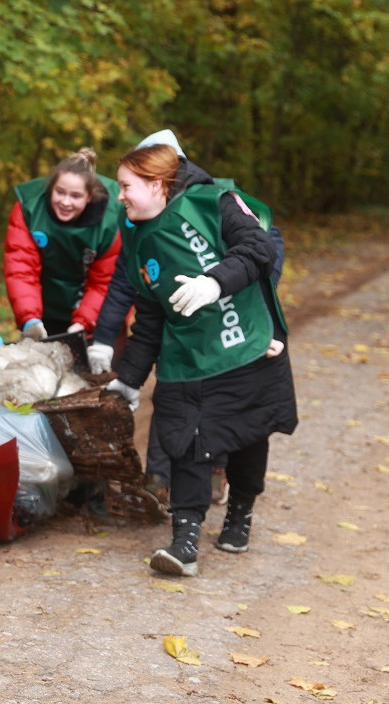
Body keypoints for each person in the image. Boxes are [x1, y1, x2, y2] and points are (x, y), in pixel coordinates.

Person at [104, 142, 297, 576]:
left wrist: (214, 284)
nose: (119, 197)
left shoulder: (215, 203)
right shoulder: (136, 231)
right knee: (184, 439)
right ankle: (184, 539)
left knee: (247, 434)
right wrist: (129, 381)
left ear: (157, 185)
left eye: (126, 187)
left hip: (244, 340)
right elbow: (149, 313)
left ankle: (240, 512)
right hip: (187, 353)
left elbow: (260, 251)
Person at [3, 148, 122, 342]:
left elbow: (103, 282)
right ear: (51, 188)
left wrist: (84, 323)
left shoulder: (111, 221)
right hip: (43, 305)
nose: (66, 202)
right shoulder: (29, 209)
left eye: (76, 196)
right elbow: (21, 269)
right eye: (60, 192)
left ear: (90, 196)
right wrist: (30, 318)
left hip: (91, 309)